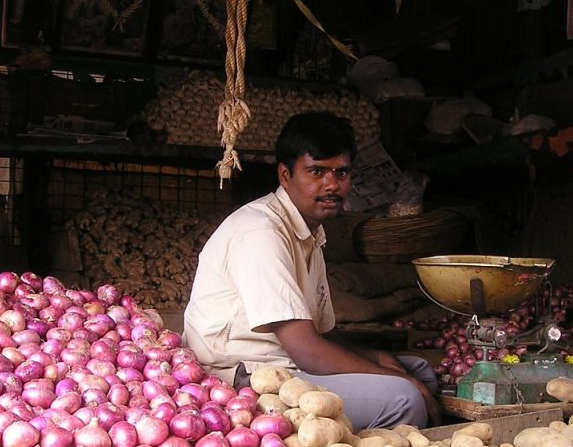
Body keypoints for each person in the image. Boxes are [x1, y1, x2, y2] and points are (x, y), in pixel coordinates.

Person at [183, 111, 441, 430]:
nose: (331, 185)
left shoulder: (309, 231)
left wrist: (376, 359)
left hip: (284, 364)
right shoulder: (262, 232)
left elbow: (321, 335)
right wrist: (392, 378)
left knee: (420, 371)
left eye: (341, 173)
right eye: (316, 171)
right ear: (285, 175)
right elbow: (308, 351)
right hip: (241, 379)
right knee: (405, 397)